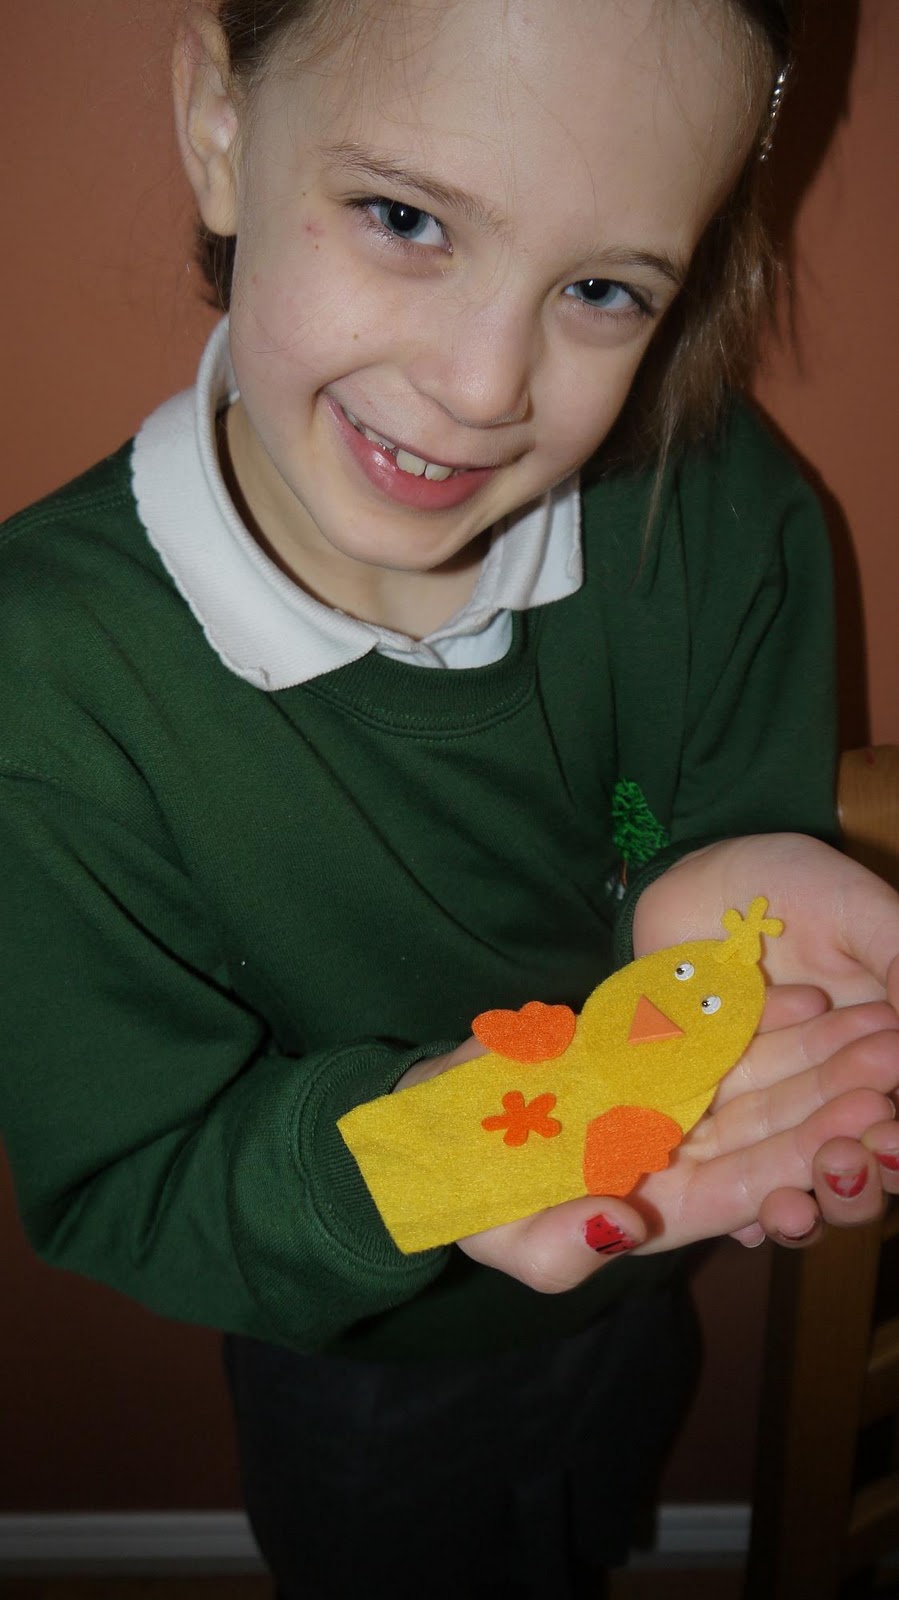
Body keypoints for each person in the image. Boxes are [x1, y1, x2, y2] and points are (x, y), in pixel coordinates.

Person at [2, 0, 899, 1594]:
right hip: (362, 1357)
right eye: (406, 218)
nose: (487, 385)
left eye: (604, 289)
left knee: (577, 1529)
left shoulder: (712, 505)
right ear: (219, 124)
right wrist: (432, 1162)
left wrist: (721, 885)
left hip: (637, 1266)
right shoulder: (50, 683)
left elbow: (675, 831)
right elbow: (128, 1177)